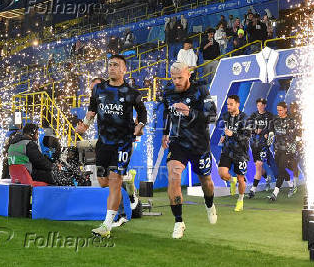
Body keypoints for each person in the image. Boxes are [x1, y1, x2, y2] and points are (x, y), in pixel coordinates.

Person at [76, 55, 147, 238]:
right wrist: (85, 124)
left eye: (116, 65)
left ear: (124, 69)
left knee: (114, 181)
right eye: (110, 65)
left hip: (123, 143)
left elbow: (143, 113)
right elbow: (92, 109)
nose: (112, 68)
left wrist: (139, 126)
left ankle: (107, 225)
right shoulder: (99, 88)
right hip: (103, 143)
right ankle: (128, 185)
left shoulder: (132, 93)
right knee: (103, 182)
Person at [162, 61, 217, 239]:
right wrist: (165, 132)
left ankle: (209, 204)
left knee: (206, 181)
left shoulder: (201, 90)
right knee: (174, 175)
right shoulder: (168, 92)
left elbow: (212, 116)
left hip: (199, 144)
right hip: (178, 143)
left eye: (180, 77)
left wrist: (189, 112)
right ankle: (179, 222)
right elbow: (166, 113)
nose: (176, 81)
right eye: (173, 77)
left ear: (188, 74)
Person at [217, 95, 251, 211]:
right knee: (222, 173)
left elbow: (247, 137)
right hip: (227, 149)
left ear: (237, 104)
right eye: (227, 104)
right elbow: (226, 130)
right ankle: (232, 180)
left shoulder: (245, 118)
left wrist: (233, 134)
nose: (228, 106)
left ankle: (240, 200)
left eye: (231, 104)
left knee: (241, 178)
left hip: (240, 152)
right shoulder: (225, 116)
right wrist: (223, 136)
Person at [267, 102, 297, 202]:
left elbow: (294, 135)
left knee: (281, 170)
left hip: (287, 150)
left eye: (280, 110)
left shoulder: (291, 121)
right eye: (278, 110)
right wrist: (270, 134)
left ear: (285, 109)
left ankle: (275, 193)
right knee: (280, 169)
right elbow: (271, 128)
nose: (279, 112)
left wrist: (293, 147)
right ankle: (292, 185)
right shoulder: (275, 119)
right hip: (277, 149)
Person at [248, 98, 273, 198]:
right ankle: (267, 178)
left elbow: (271, 130)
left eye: (261, 105)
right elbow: (249, 128)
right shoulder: (253, 115)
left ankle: (253, 190)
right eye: (258, 105)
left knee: (258, 165)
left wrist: (266, 133)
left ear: (265, 105)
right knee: (258, 166)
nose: (260, 107)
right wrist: (254, 130)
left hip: (263, 144)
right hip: (254, 144)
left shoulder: (269, 116)